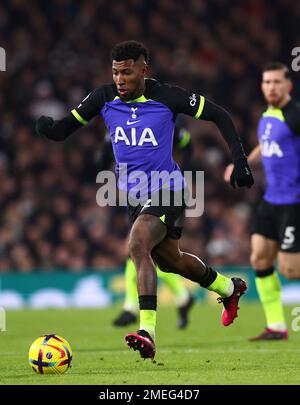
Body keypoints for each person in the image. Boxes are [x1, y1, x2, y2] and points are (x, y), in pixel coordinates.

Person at [36, 40, 254, 359]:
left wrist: (240, 160)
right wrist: (47, 128)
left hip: (170, 187)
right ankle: (229, 288)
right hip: (135, 195)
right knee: (170, 260)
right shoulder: (103, 97)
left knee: (137, 243)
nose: (120, 79)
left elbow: (219, 115)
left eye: (126, 72)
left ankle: (146, 331)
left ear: (143, 69)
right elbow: (63, 130)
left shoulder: (167, 96)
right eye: (115, 73)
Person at [224, 62, 300, 341]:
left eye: (277, 82)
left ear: (288, 85)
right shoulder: (268, 114)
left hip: (294, 202)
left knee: (291, 271)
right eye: (267, 82)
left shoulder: (294, 115)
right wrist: (242, 163)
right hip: (271, 201)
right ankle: (277, 326)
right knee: (259, 257)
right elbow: (265, 145)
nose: (271, 87)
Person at [112, 126, 195, 330]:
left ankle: (132, 308)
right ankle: (183, 298)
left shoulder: (163, 126)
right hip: (138, 195)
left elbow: (187, 145)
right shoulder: (122, 129)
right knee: (149, 254)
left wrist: (182, 169)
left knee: (144, 252)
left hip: (167, 193)